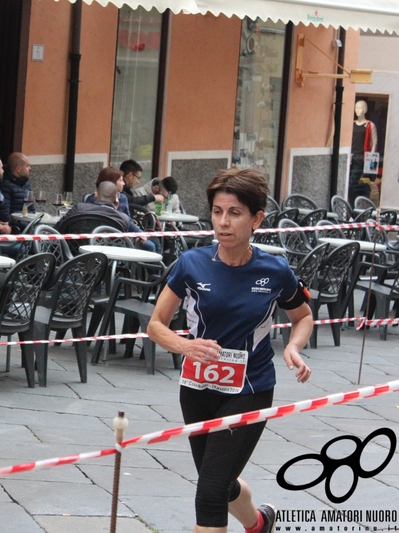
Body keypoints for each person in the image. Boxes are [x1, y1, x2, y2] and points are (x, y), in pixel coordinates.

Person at [146, 168, 313, 533]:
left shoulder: (275, 271)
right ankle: (258, 523)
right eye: (217, 211)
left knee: (208, 492)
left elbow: (303, 316)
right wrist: (185, 345)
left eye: (235, 213)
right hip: (197, 388)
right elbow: (155, 324)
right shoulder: (192, 264)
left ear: (256, 219)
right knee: (218, 482)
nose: (223, 222)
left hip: (250, 389)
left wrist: (295, 348)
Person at [58, 180, 157, 253]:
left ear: (95, 196)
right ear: (116, 200)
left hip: (73, 259)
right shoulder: (123, 218)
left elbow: (57, 229)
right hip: (109, 266)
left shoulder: (78, 209)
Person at [349, 100, 378, 205]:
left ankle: (361, 205)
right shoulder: (351, 124)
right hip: (352, 158)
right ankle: (353, 207)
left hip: (363, 158)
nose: (358, 110)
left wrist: (371, 164)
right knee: (351, 184)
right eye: (356, 108)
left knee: (363, 183)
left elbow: (374, 143)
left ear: (365, 110)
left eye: (360, 108)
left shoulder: (370, 125)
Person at [0, 152, 35, 233]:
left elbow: (32, 210)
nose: (30, 168)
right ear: (18, 169)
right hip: (15, 230)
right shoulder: (5, 185)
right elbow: (4, 215)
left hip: (27, 226)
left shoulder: (26, 184)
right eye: (27, 166)